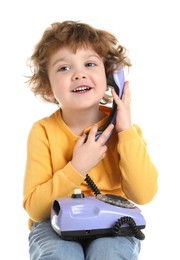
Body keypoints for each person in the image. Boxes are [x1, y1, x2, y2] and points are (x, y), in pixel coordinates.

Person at [23, 20, 158, 260]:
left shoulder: (126, 132)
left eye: (90, 64)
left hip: (113, 220)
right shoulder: (42, 131)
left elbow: (143, 194)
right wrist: (77, 167)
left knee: (109, 253)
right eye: (64, 68)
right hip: (55, 222)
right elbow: (35, 209)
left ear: (109, 76)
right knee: (61, 255)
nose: (79, 74)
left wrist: (125, 130)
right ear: (48, 88)